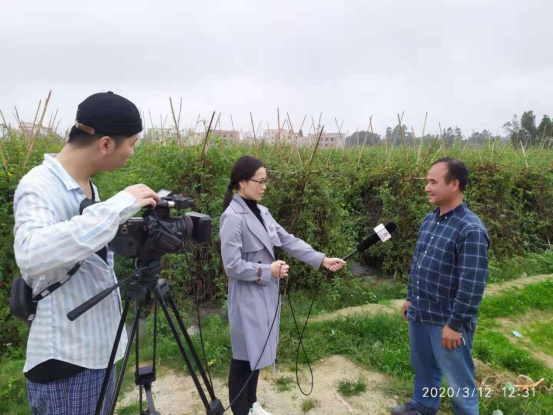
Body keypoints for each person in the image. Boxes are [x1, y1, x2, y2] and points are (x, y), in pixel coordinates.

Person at [13, 91, 160, 414]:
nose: (132, 152)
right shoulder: (39, 185)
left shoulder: (88, 185)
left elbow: (87, 251)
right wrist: (118, 206)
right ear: (105, 144)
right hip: (67, 360)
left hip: (97, 352)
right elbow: (32, 253)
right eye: (132, 143)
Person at [219, 156, 346, 415]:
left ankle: (252, 403)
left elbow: (288, 240)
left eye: (266, 181)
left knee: (258, 349)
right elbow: (231, 266)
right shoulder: (232, 217)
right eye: (260, 181)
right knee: (244, 355)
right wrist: (268, 270)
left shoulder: (262, 212)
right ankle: (241, 410)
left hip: (265, 293)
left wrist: (321, 259)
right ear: (241, 182)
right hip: (247, 295)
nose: (264, 187)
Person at [392, 158, 490, 415]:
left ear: (454, 184)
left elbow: (472, 284)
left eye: (433, 182)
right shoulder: (430, 220)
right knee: (424, 367)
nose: (427, 187)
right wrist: (411, 297)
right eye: (427, 181)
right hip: (421, 312)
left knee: (459, 380)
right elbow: (419, 263)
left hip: (447, 322)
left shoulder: (470, 229)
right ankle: (422, 406)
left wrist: (455, 325)